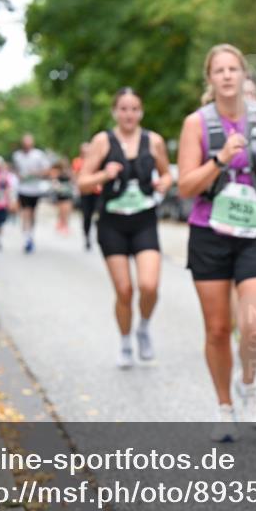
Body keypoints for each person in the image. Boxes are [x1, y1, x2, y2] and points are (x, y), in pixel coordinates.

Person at [177, 45, 256, 442]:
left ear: (244, 75)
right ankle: (224, 406)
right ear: (210, 79)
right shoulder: (197, 124)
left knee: (254, 327)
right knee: (216, 329)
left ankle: (249, 383)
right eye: (219, 70)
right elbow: (186, 186)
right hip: (210, 232)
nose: (227, 76)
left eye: (233, 69)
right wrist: (221, 158)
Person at [78, 88, 173, 368]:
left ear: (141, 112)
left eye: (134, 109)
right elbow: (82, 182)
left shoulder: (153, 141)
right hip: (112, 223)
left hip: (144, 220)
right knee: (124, 291)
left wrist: (164, 184)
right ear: (114, 112)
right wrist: (103, 174)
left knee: (149, 285)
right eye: (123, 109)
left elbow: (167, 174)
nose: (128, 114)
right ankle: (124, 342)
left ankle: (143, 326)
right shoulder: (102, 141)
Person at [12, 133, 51, 253]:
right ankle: (27, 238)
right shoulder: (17, 155)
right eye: (25, 144)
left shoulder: (38, 155)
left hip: (35, 189)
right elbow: (15, 170)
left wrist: (36, 173)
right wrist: (19, 176)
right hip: (23, 189)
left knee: (32, 214)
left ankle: (31, 234)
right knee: (25, 212)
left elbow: (46, 170)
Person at [73, 142, 101, 250]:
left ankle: (99, 235)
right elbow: (77, 177)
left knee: (100, 213)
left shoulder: (97, 161)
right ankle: (87, 236)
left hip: (97, 192)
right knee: (87, 215)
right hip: (85, 193)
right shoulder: (78, 162)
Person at [51, 160, 75, 235]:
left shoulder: (69, 172)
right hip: (61, 193)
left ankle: (65, 225)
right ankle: (62, 223)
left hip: (68, 193)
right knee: (62, 210)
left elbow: (73, 180)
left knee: (67, 209)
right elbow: (54, 181)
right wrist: (57, 186)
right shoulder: (57, 172)